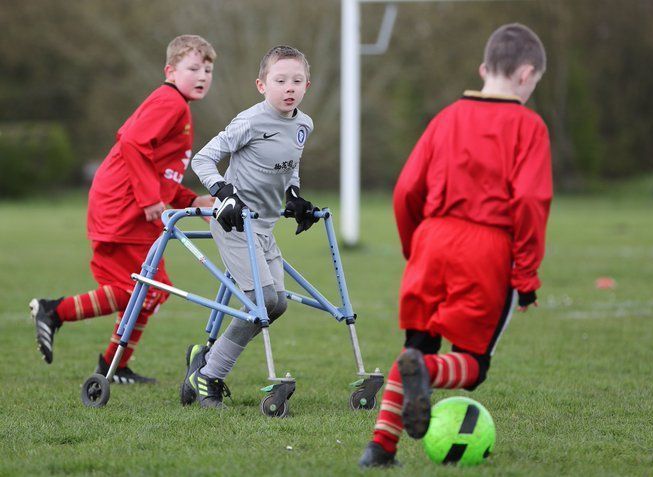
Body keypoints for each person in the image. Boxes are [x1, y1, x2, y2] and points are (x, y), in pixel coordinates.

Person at [359, 23, 553, 467]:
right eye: (535, 83)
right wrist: (525, 275)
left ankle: (379, 449)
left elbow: (406, 190)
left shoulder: (446, 116)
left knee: (416, 346)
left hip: (432, 239)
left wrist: (416, 247)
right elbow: (529, 200)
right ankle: (425, 374)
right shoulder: (529, 126)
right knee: (472, 364)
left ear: (484, 69)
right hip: (486, 248)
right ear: (526, 75)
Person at [29, 34, 217, 384]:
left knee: (152, 291)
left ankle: (113, 366)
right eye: (193, 67)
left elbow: (160, 171)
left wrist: (191, 199)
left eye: (207, 69)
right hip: (123, 207)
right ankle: (54, 311)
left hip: (133, 206)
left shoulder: (179, 107)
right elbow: (131, 143)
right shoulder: (170, 102)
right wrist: (148, 199)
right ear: (170, 71)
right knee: (142, 289)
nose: (202, 75)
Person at [182, 45, 318, 408]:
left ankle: (204, 360)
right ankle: (209, 377)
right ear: (261, 84)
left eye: (297, 80)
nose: (289, 87)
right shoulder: (250, 121)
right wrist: (223, 193)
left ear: (307, 85)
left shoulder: (303, 124)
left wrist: (294, 196)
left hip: (266, 227)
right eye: (280, 80)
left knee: (277, 305)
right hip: (235, 224)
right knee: (261, 301)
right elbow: (203, 159)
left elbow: (291, 166)